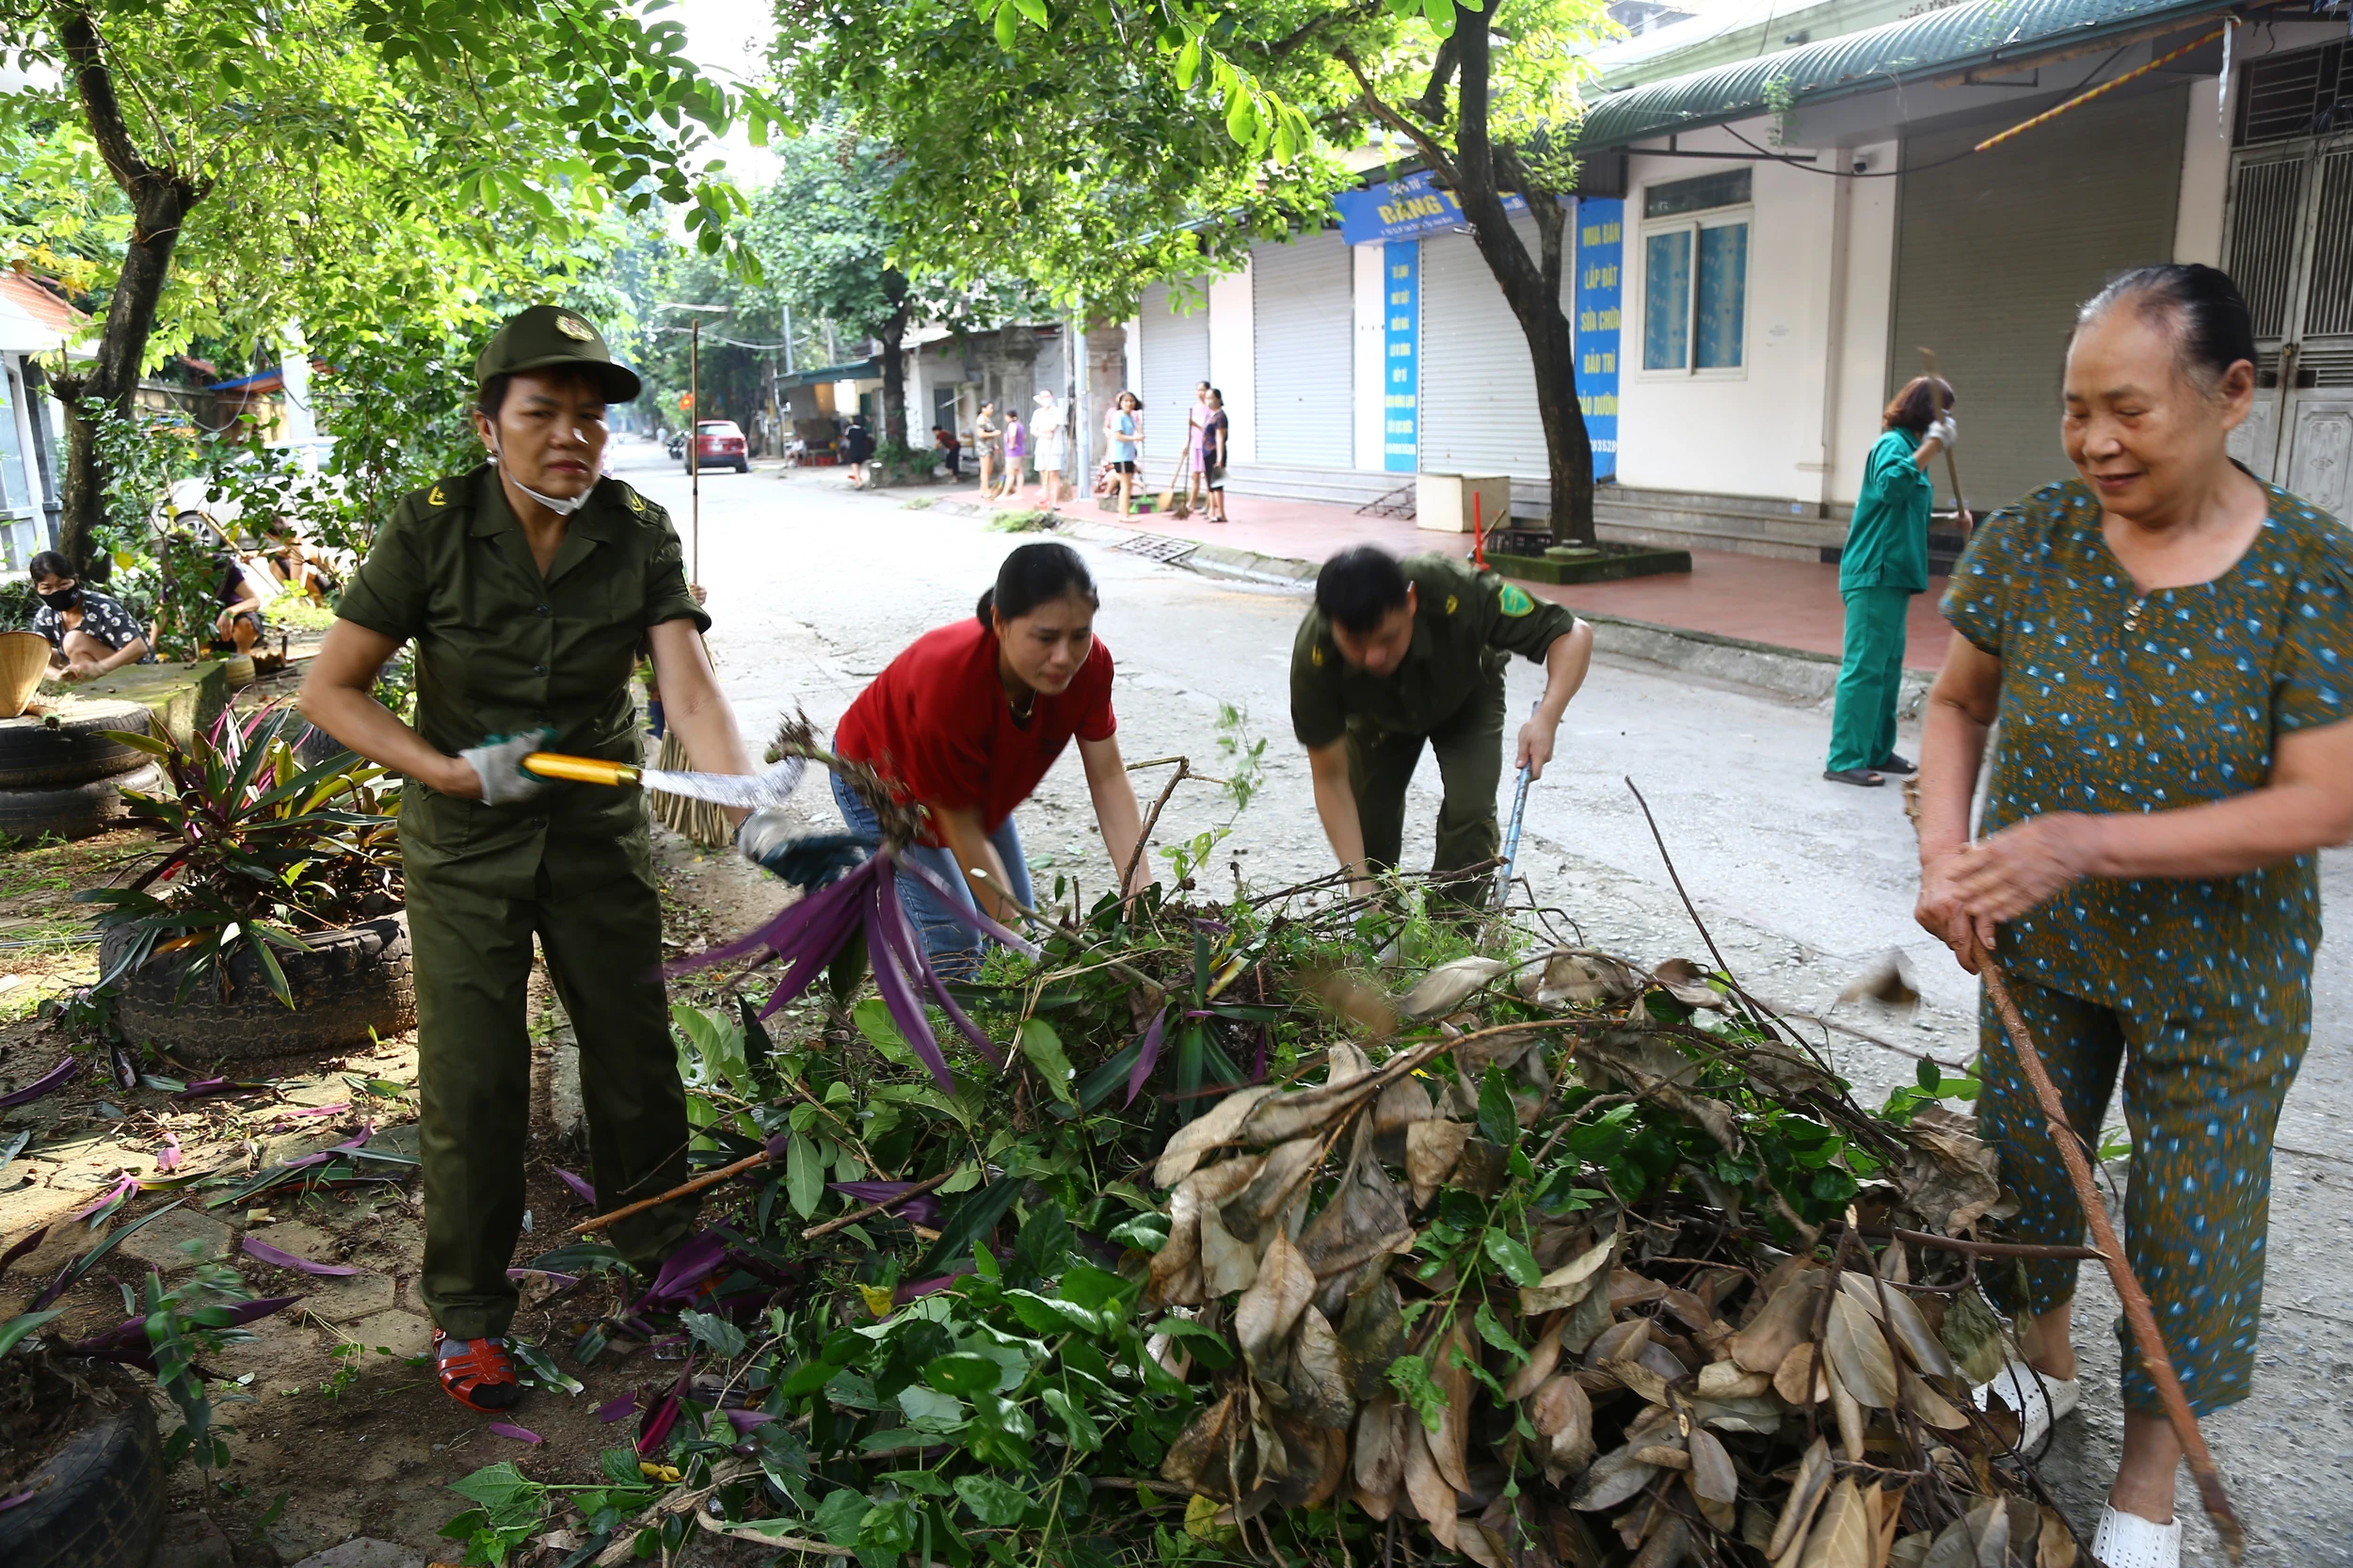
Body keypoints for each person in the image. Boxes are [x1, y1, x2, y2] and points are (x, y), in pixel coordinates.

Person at [1912, 264, 2353, 1568]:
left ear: (2230, 394)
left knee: (2189, 1223)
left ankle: (2147, 1490)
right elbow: (1954, 706)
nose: (2096, 440)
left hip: (2222, 972)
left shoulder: (2310, 568)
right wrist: (1947, 850)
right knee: (2027, 1169)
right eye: (2073, 409)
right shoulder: (2038, 536)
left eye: (2129, 410)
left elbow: (2327, 799)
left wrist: (2085, 839)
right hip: (2040, 949)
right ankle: (2042, 1365)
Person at [298, 305, 760, 1415]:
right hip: (463, 843)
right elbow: (332, 690)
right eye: (542, 412)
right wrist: (444, 769)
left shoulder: (637, 529)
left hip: (594, 829)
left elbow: (686, 688)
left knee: (634, 1052)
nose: (570, 436)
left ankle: (660, 1258)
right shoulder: (433, 529)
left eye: (589, 418)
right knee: (476, 1075)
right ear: (488, 422)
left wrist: (738, 798)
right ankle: (469, 1315)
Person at [830, 542, 1145, 974]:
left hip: (974, 784)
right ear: (999, 621)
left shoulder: (1090, 666)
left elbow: (1108, 777)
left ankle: (1009, 1031)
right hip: (884, 781)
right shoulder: (951, 680)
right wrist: (1016, 933)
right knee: (956, 937)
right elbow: (958, 825)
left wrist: (1142, 897)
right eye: (1045, 637)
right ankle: (944, 1041)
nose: (1064, 657)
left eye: (1079, 634)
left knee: (1015, 932)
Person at [1293, 546, 1593, 898]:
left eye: (1388, 638)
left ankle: (1454, 934)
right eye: (1356, 644)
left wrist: (1547, 717)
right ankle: (1380, 933)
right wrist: (1359, 880)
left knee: (1471, 813)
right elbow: (1329, 777)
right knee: (1367, 835)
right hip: (1379, 718)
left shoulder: (1454, 587)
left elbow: (1572, 634)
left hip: (1467, 695)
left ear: (1411, 601)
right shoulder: (1314, 654)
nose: (1374, 657)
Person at [1824, 377, 1964, 787]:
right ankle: (1845, 757)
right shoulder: (1893, 446)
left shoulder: (1909, 452)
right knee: (1865, 667)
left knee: (1886, 668)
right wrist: (1931, 447)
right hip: (1874, 572)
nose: (1950, 420)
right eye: (1946, 410)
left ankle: (1877, 751)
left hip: (1894, 576)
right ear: (1928, 411)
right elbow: (1889, 487)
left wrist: (1948, 520)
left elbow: (1905, 512)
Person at [26, 551, 152, 682]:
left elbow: (139, 647)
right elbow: (36, 658)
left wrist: (100, 668)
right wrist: (57, 676)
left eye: (63, 584)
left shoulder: (102, 607)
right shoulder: (46, 616)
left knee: (73, 641)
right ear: (37, 589)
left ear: (76, 580)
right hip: (96, 668)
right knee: (37, 652)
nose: (56, 592)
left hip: (134, 672)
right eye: (47, 588)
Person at [1104, 391, 1143, 517]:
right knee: (1125, 485)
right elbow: (1118, 436)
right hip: (1121, 455)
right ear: (1120, 403)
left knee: (1127, 484)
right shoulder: (1118, 416)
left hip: (1129, 455)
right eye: (1126, 401)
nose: (1129, 403)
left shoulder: (1130, 417)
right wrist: (1135, 438)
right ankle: (1125, 515)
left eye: (1131, 401)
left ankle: (1123, 510)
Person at [1032, 391, 1069, 509]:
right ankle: (1045, 498)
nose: (1046, 399)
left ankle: (1054, 502)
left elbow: (1052, 427)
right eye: (1043, 397)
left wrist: (1044, 431)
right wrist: (1043, 434)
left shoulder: (1057, 412)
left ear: (1052, 397)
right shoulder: (1037, 413)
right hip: (1042, 446)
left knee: (1053, 473)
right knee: (1043, 472)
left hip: (1054, 446)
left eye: (1048, 396)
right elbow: (1033, 430)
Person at [1201, 390, 1230, 524]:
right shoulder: (1210, 415)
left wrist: (1220, 457)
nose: (1208, 401)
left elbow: (1220, 438)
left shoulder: (1220, 417)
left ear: (1218, 399)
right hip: (1206, 453)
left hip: (1215, 453)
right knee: (1210, 485)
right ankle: (1212, 511)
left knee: (1217, 485)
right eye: (1206, 398)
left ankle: (1222, 514)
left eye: (1211, 398)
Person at [1185, 381, 1212, 513]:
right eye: (1198, 390)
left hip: (1206, 446)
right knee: (1195, 475)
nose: (1200, 393)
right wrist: (1186, 444)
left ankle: (1209, 504)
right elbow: (1191, 429)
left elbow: (1207, 429)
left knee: (1208, 476)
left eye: (1203, 390)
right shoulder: (1195, 408)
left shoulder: (1211, 409)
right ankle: (1191, 504)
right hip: (1196, 445)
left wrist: (1194, 423)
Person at [1000, 405, 1029, 502]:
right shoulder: (1019, 424)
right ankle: (1019, 492)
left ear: (1009, 416)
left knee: (1010, 473)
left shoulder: (1012, 425)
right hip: (1019, 451)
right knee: (1019, 472)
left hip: (1013, 453)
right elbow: (1024, 437)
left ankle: (1005, 493)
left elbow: (1012, 436)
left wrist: (1012, 444)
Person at [973, 402, 1000, 499]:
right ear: (983, 409)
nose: (991, 410)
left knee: (989, 469)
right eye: (990, 408)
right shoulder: (981, 420)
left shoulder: (987, 419)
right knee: (985, 469)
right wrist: (994, 434)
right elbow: (981, 434)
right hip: (984, 446)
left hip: (990, 446)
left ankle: (982, 488)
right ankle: (985, 490)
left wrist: (995, 445)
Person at [841, 413, 874, 489]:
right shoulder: (863, 430)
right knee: (858, 465)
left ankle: (859, 481)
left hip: (853, 449)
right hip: (861, 450)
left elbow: (847, 437)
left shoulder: (850, 429)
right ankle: (857, 481)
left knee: (854, 464)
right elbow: (866, 439)